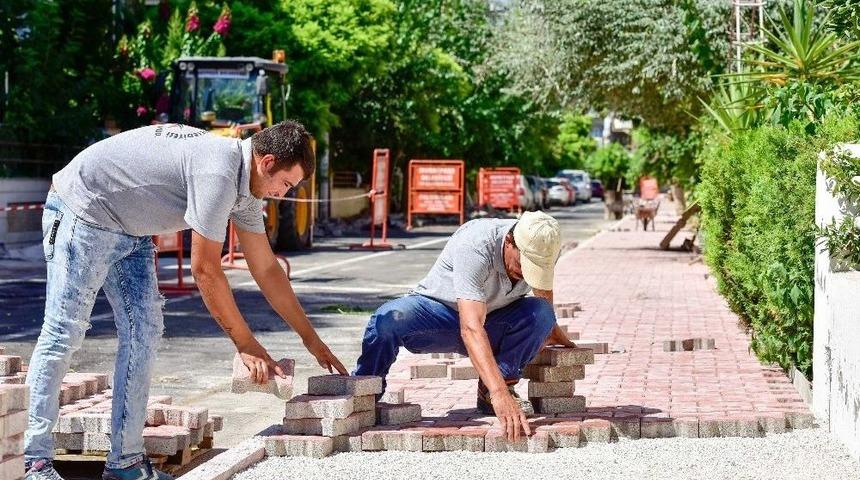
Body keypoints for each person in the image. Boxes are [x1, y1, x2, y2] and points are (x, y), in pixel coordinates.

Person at [24, 121, 346, 480]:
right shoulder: (218, 172)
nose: (283, 194)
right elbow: (206, 270)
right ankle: (32, 460)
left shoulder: (246, 190)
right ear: (267, 162)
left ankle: (125, 463)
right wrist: (246, 344)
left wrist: (310, 339)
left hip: (130, 230)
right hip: (83, 210)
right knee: (63, 331)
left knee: (143, 334)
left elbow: (267, 269)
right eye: (285, 184)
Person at [353, 211, 575, 442]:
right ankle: (362, 394)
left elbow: (543, 290)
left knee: (542, 313)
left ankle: (493, 388)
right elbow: (470, 328)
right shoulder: (476, 243)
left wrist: (550, 326)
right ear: (510, 242)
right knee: (388, 319)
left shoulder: (545, 244)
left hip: (493, 322)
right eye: (523, 264)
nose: (526, 274)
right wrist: (501, 395)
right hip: (439, 317)